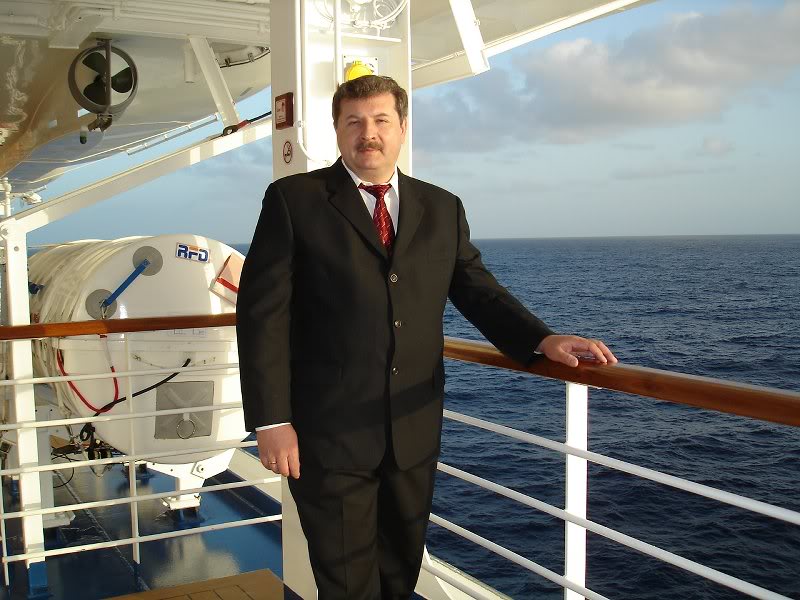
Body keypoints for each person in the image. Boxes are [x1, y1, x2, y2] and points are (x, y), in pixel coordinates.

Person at [236, 75, 617, 600]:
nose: (367, 133)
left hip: (412, 434)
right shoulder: (294, 201)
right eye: (354, 122)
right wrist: (272, 421)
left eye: (380, 120)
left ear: (402, 128)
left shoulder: (442, 207)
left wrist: (541, 340)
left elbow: (478, 290)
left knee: (400, 576)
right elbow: (262, 317)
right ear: (337, 131)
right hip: (328, 436)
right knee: (346, 584)